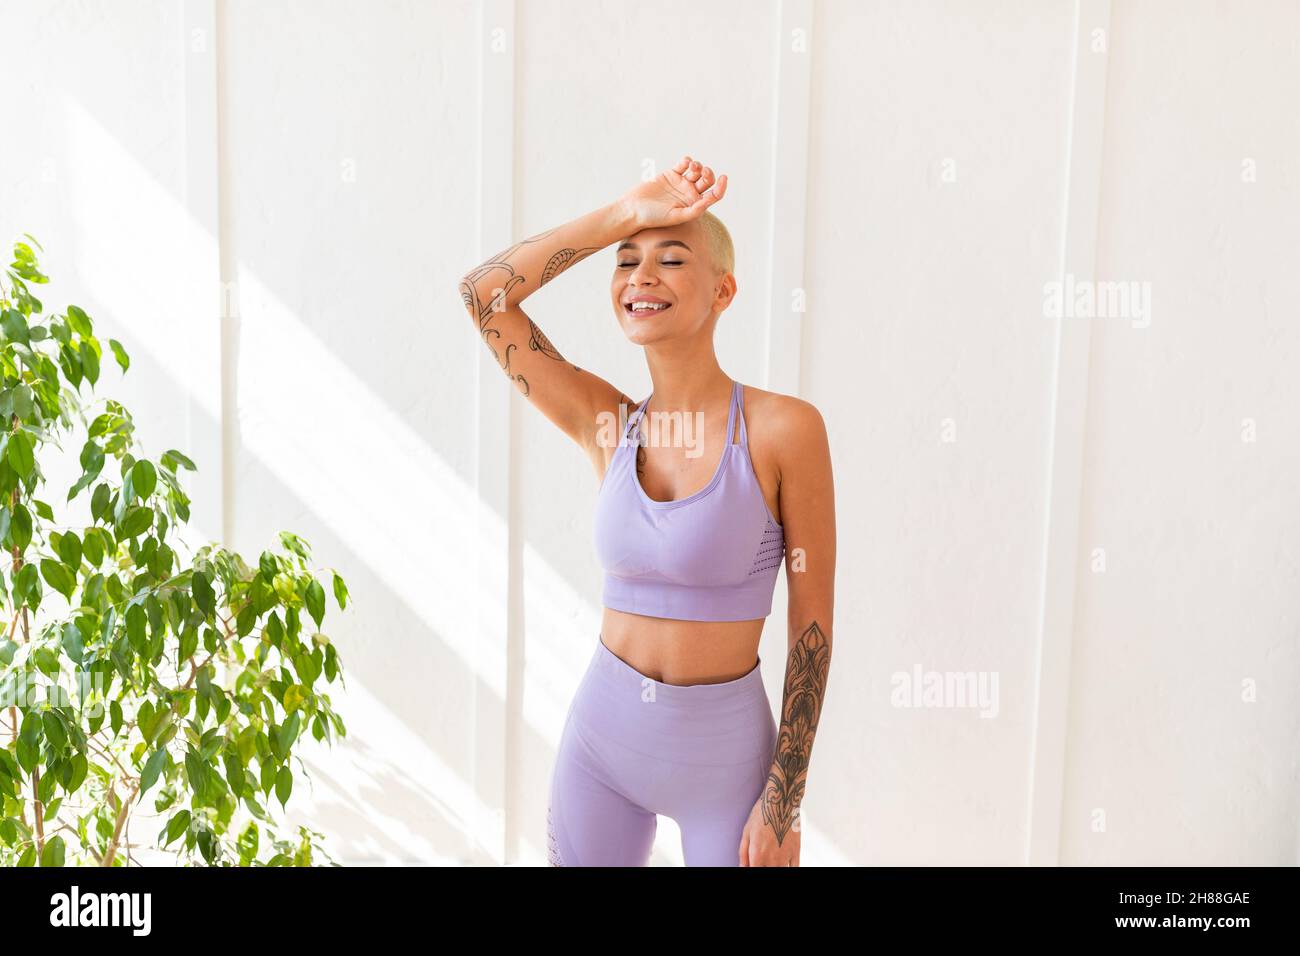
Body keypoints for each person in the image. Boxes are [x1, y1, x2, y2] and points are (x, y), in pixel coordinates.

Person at [458, 155, 835, 866]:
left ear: (723, 291)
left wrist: (784, 800)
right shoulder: (607, 423)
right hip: (601, 749)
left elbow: (811, 621)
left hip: (728, 770)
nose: (640, 276)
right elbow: (483, 297)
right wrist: (622, 215)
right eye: (626, 262)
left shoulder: (785, 430)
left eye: (670, 258)